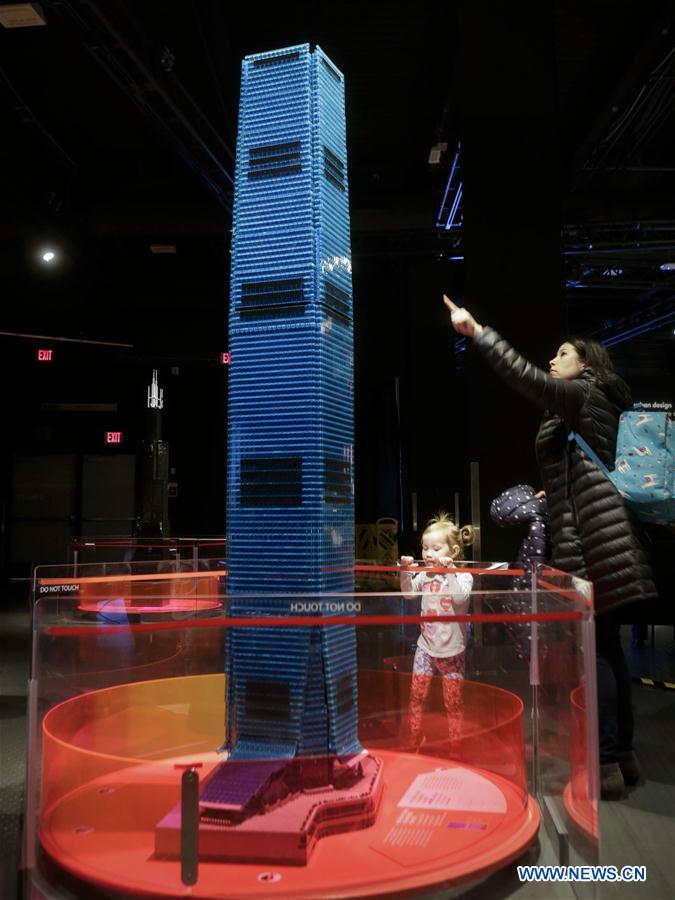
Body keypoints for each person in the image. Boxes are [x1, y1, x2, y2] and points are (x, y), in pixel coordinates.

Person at [444, 295, 658, 799]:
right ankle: (621, 755)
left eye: (562, 354)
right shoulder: (590, 406)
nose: (552, 361)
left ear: (585, 364)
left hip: (597, 546)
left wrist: (478, 332)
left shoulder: (582, 393)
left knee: (600, 656)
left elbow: (525, 377)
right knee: (609, 650)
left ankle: (603, 761)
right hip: (611, 542)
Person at [400, 513, 474, 752]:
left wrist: (451, 573)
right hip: (425, 648)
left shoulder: (464, 576)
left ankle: (456, 746)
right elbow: (408, 593)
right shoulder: (425, 574)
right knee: (416, 696)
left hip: (452, 651)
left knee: (453, 702)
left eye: (435, 548)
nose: (428, 554)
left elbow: (460, 599)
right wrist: (405, 570)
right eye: (425, 548)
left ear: (453, 552)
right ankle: (412, 740)